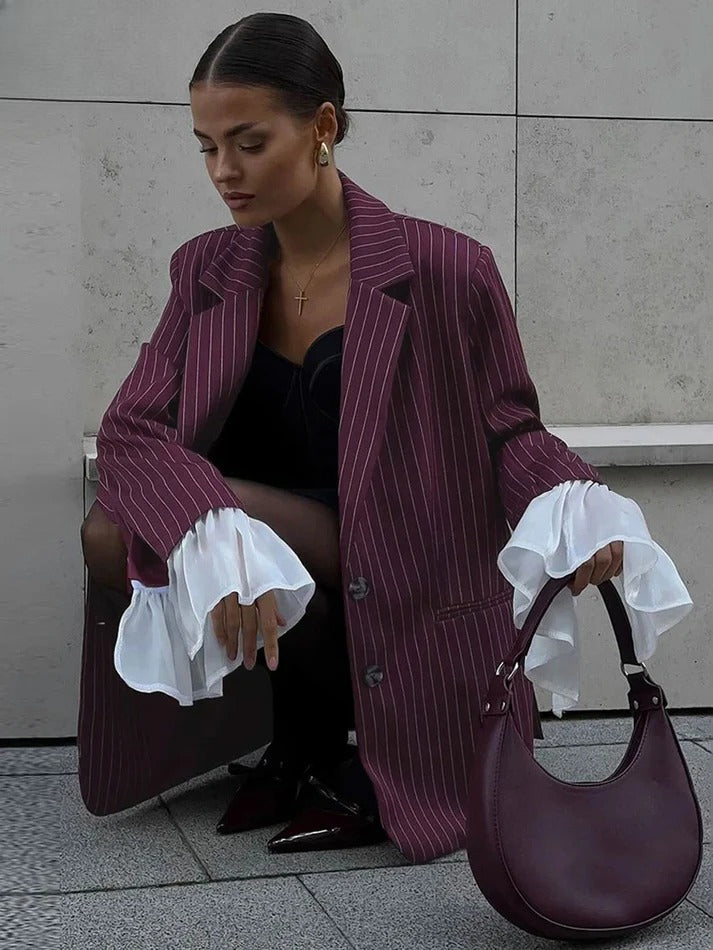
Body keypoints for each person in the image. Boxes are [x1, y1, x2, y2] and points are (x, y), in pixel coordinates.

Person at [80, 13, 693, 863]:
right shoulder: (207, 268)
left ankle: (368, 762)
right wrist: (202, 524)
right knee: (115, 530)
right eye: (206, 146)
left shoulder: (445, 267)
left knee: (230, 519)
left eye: (249, 143)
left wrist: (574, 499)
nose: (224, 171)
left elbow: (507, 425)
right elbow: (132, 426)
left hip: (404, 541)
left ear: (322, 126)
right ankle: (307, 741)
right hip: (285, 533)